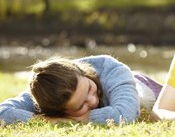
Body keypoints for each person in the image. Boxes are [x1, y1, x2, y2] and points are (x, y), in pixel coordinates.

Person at [0, 55, 162, 125]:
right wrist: (46, 120)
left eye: (90, 89)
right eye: (80, 106)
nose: (93, 100)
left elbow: (125, 116)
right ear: (56, 111)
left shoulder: (111, 68)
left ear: (82, 72)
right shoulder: (46, 93)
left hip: (143, 88)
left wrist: (73, 119)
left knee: (141, 103)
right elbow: (3, 112)